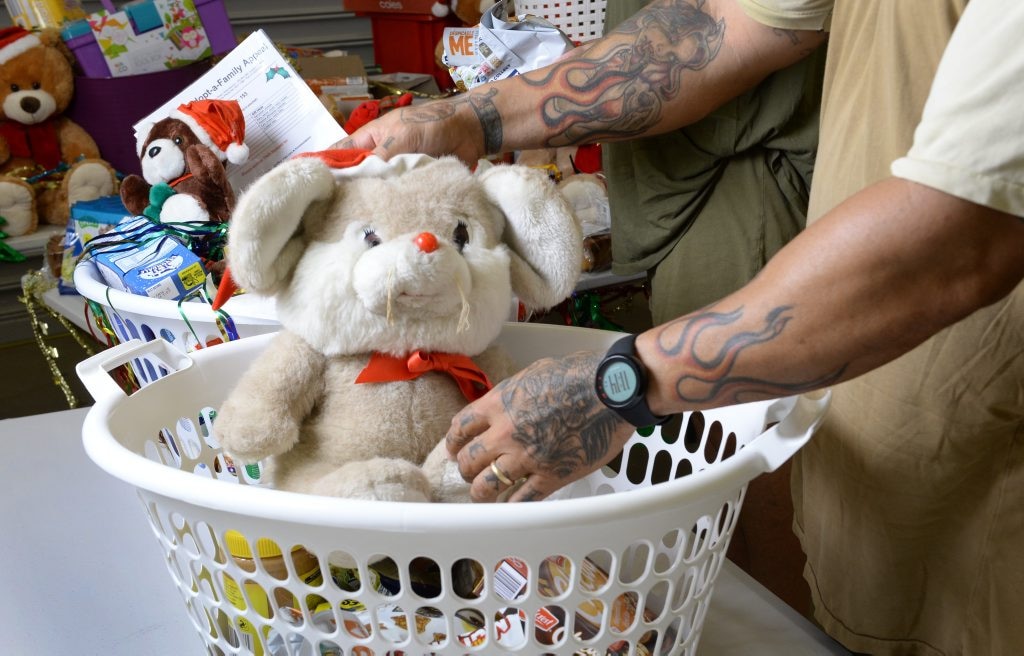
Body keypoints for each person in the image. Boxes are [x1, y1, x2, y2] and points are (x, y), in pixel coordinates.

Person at [342, 1, 1024, 654]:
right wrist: (471, 117)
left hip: (987, 438)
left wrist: (621, 385)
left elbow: (958, 240)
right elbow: (716, 31)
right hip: (877, 425)